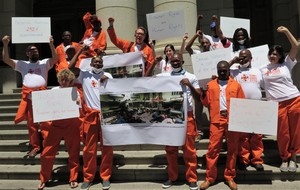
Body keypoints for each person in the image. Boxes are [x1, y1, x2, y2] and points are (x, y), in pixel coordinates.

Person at [2, 35, 58, 158]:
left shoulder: (44, 63)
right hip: (30, 99)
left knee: (46, 124)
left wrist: (51, 44)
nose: (35, 52)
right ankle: (35, 147)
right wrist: (5, 44)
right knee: (32, 125)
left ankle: (49, 146)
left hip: (43, 98)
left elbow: (55, 58)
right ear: (27, 53)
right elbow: (6, 60)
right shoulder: (23, 64)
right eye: (32, 50)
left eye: (36, 50)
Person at [259, 26, 300, 172]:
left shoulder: (287, 64)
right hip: (276, 104)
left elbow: (295, 46)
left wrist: (286, 31)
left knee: (295, 131)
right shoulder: (263, 69)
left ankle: (293, 158)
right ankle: (284, 158)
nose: (272, 56)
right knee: (282, 133)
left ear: (280, 56)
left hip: (294, 99)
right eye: (271, 54)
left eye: (275, 54)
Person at [199, 61, 245, 190]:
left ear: (229, 70)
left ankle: (230, 176)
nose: (222, 72)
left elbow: (242, 103)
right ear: (217, 71)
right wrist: (203, 92)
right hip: (216, 121)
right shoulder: (211, 85)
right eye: (220, 70)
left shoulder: (236, 85)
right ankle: (209, 178)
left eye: (225, 70)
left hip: (232, 121)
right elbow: (205, 102)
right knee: (213, 150)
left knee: (232, 150)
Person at [70, 56, 113, 190]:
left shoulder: (108, 75)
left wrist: (109, 82)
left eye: (100, 62)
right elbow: (70, 68)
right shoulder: (84, 74)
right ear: (91, 64)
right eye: (95, 62)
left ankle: (105, 177)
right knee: (89, 149)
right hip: (91, 116)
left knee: (107, 148)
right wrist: (81, 50)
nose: (98, 63)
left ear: (103, 64)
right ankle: (88, 178)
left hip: (106, 115)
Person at [157, 53, 199, 190]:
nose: (175, 63)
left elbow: (199, 97)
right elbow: (148, 78)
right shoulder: (165, 76)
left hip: (187, 116)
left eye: (177, 60)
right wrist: (153, 62)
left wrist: (189, 86)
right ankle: (172, 177)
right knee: (170, 149)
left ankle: (192, 178)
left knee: (189, 150)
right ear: (169, 62)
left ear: (182, 60)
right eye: (172, 61)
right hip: (171, 117)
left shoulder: (191, 77)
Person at [38, 69, 81, 190]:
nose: (64, 81)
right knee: (47, 153)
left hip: (71, 124)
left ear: (70, 80)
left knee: (73, 152)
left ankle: (73, 178)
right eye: (62, 79)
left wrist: (78, 103)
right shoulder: (53, 91)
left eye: (66, 79)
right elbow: (46, 106)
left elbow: (79, 108)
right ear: (59, 80)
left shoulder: (74, 91)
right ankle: (44, 179)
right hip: (56, 124)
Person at [229, 49, 264, 171]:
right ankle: (244, 159)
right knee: (243, 136)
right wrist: (233, 61)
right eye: (240, 57)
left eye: (245, 57)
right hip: (241, 107)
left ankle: (257, 160)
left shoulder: (258, 71)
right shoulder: (234, 71)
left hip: (256, 107)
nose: (243, 59)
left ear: (251, 58)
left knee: (256, 135)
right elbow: (220, 71)